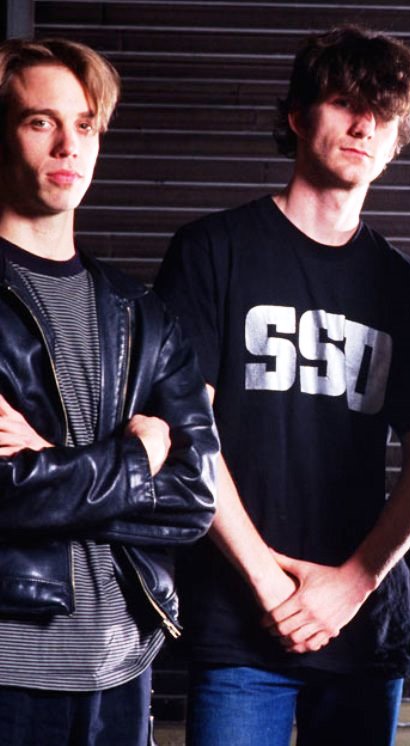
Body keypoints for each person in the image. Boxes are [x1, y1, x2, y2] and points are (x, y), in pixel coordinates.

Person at [154, 24, 410, 746]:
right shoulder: (213, 251)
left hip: (363, 626)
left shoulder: (404, 286)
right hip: (241, 623)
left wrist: (352, 583)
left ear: (397, 140)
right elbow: (189, 438)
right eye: (345, 103)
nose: (365, 126)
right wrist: (270, 585)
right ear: (298, 116)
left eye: (384, 114)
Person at [0, 38, 217, 745]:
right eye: (41, 121)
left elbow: (194, 499)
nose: (69, 145)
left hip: (124, 664)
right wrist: (133, 458)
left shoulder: (142, 314)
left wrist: (50, 464)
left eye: (86, 125)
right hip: (9, 670)